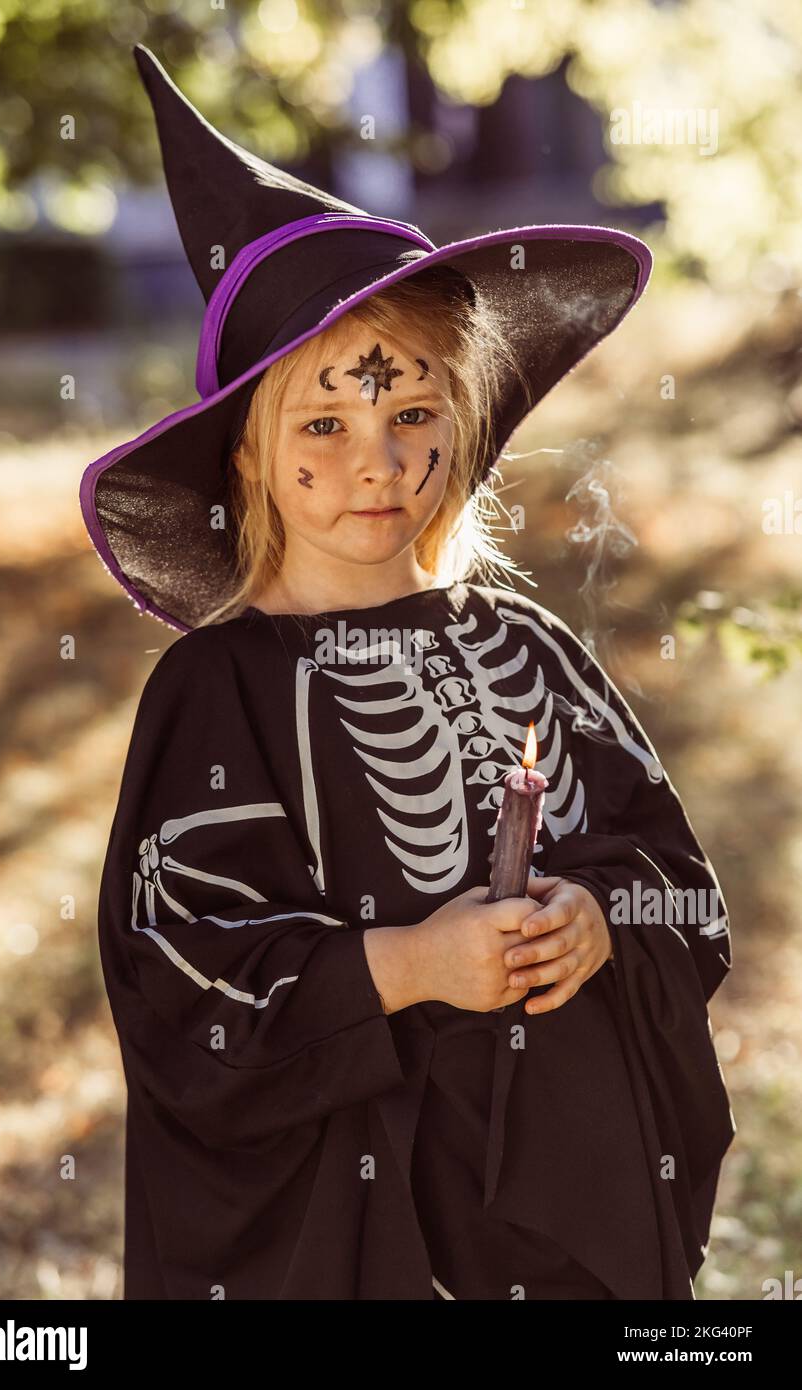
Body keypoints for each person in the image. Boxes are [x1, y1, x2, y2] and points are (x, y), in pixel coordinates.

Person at [82, 46, 736, 1301]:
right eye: (323, 425)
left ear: (464, 420)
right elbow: (178, 984)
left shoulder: (528, 646)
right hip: (348, 1236)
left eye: (413, 412)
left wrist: (600, 925)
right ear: (248, 461)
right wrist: (407, 967)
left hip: (557, 1216)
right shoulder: (215, 692)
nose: (376, 460)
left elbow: (678, 887)